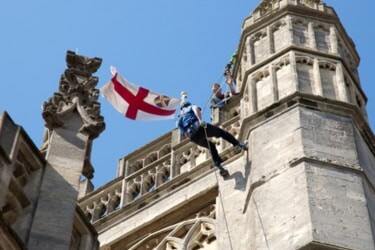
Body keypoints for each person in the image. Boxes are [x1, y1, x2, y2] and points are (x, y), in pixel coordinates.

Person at [177, 94, 248, 177]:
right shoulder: (190, 107)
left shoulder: (179, 120)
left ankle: (218, 164)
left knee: (211, 146)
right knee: (222, 133)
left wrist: (193, 136)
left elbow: (185, 134)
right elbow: (196, 109)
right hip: (199, 127)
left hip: (193, 136)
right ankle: (238, 145)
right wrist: (200, 120)